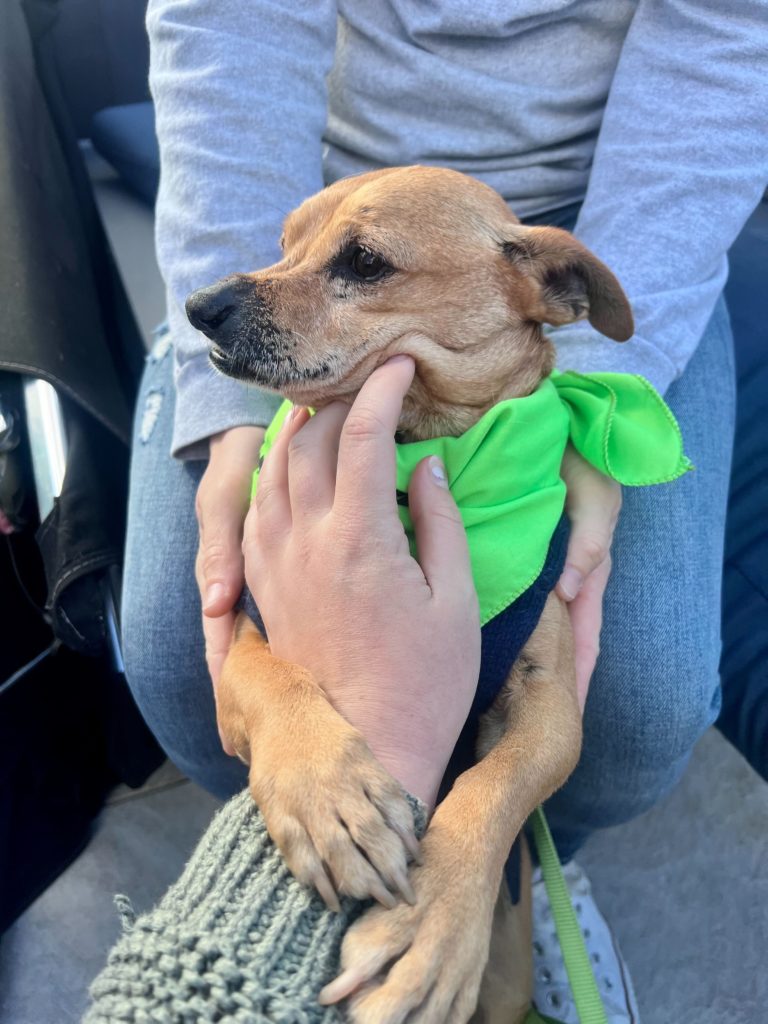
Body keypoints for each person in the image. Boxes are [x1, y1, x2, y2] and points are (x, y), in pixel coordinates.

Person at [121, 2, 768, 1021]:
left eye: (363, 273)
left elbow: (730, 42)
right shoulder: (308, 254)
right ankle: (321, 843)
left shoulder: (540, 282)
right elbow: (226, 29)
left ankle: (517, 871)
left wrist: (585, 404)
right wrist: (233, 418)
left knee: (642, 700)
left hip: (618, 218)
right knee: (169, 646)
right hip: (305, 176)